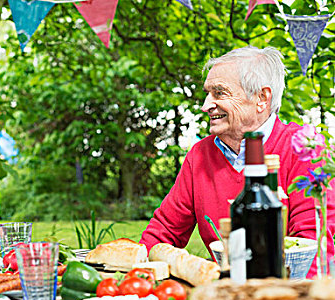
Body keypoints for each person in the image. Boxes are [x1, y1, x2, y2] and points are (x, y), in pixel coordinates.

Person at [140, 46, 334, 277]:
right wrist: (138, 274)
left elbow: (313, 249)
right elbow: (162, 234)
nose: (205, 105)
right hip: (226, 293)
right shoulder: (199, 156)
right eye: (207, 93)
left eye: (219, 93)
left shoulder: (305, 149)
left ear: (262, 98)